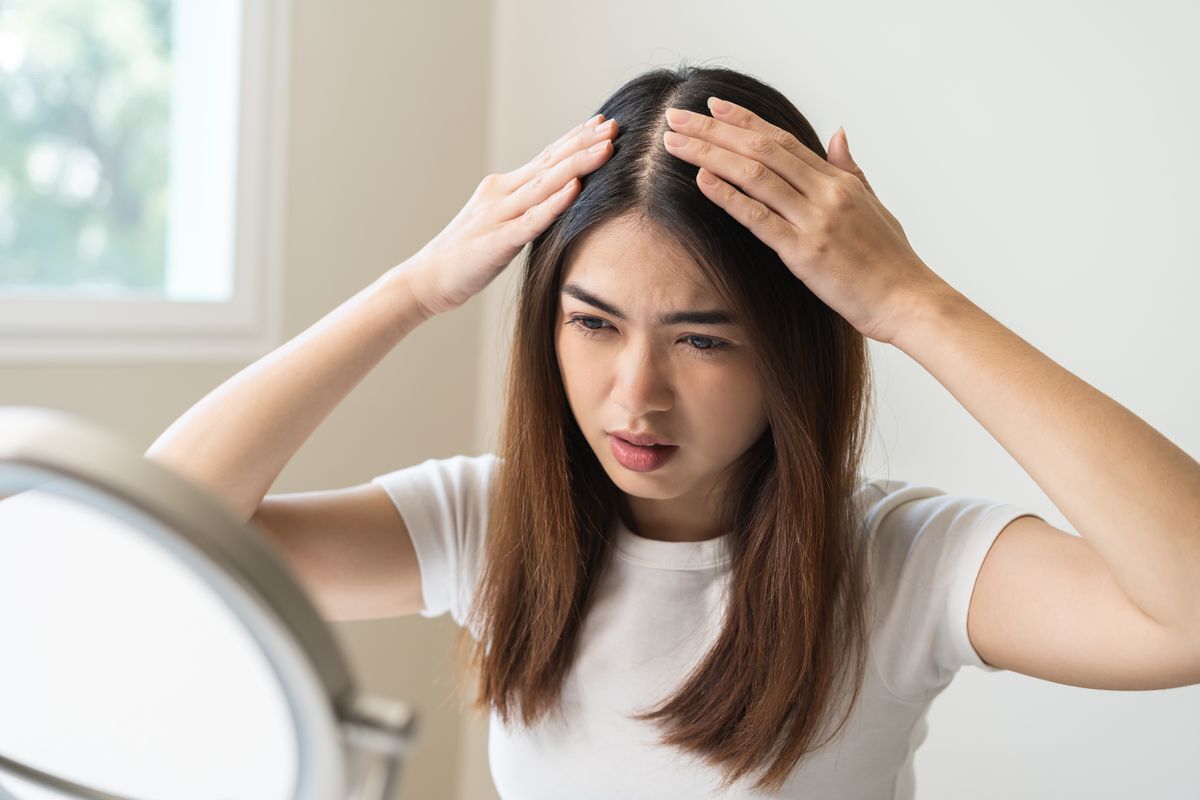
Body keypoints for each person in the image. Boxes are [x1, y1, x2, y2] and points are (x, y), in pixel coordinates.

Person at [146, 64, 1200, 799]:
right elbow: (162, 538)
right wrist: (415, 289)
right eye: (594, 324)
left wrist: (912, 303)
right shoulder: (489, 525)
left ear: (792, 348)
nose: (634, 395)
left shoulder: (896, 563)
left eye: (701, 339)